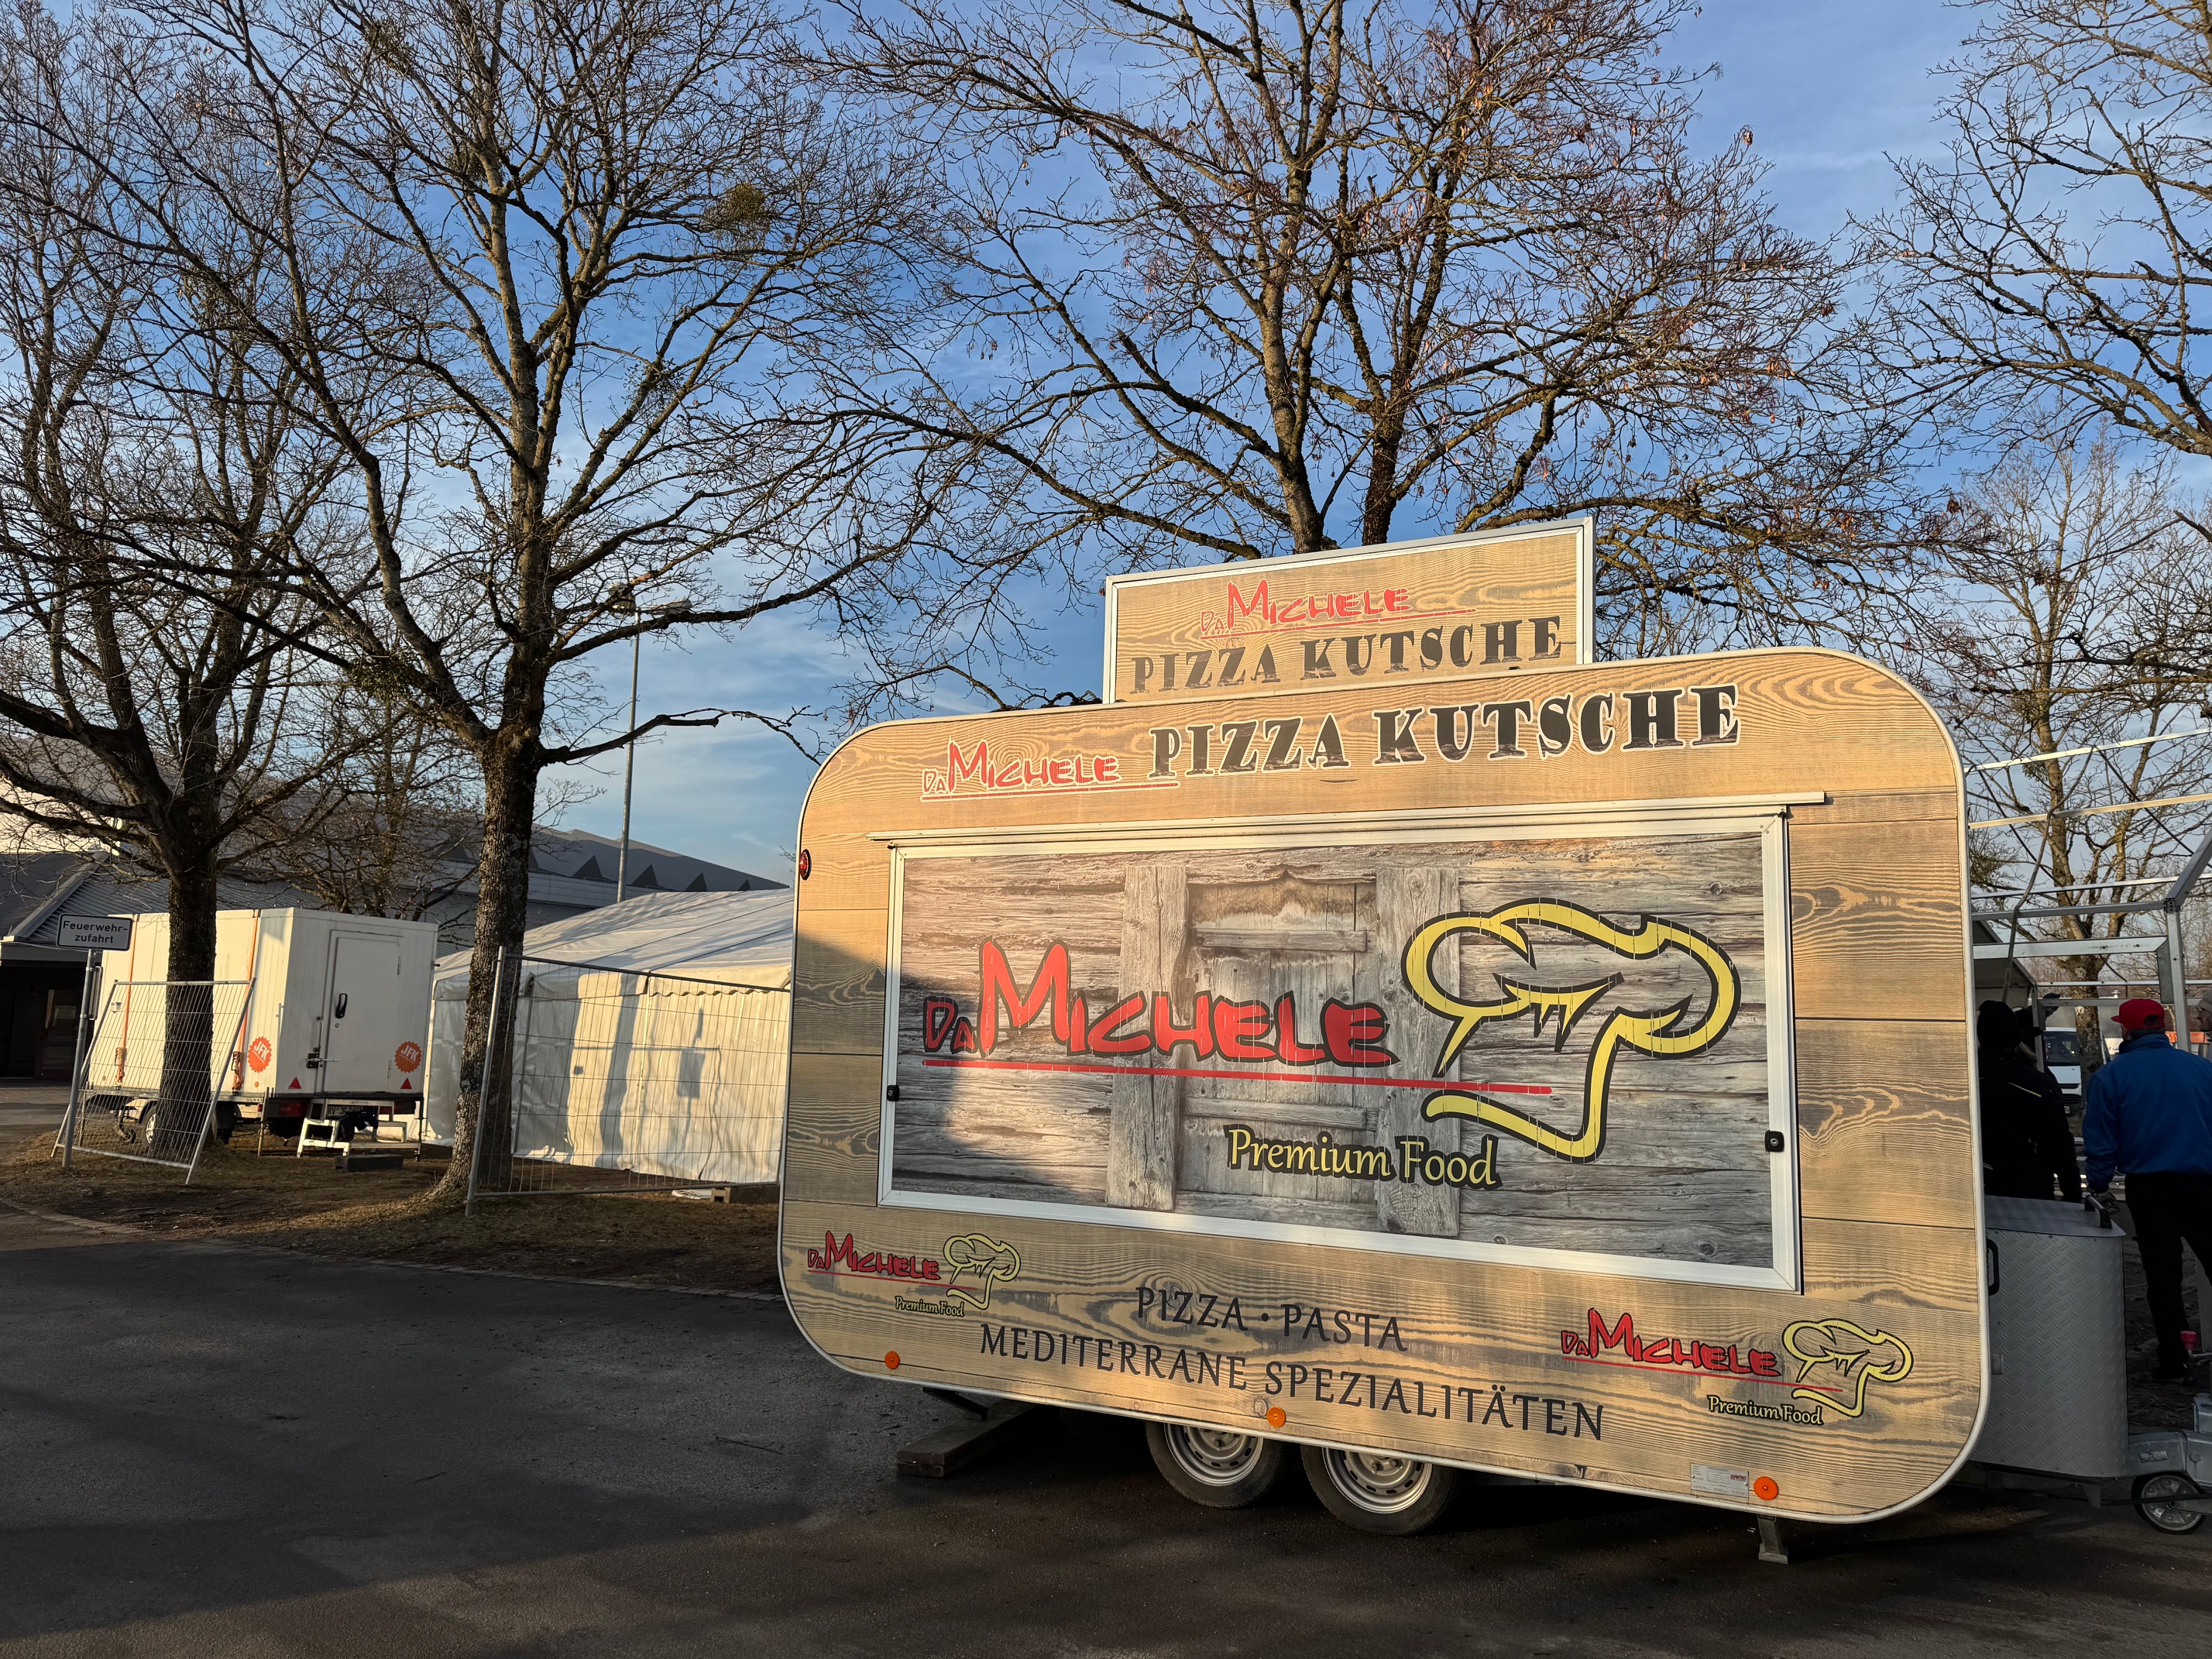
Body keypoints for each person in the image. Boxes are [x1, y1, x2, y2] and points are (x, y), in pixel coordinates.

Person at [2083, 998, 2212, 1384]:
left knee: (2163, 1278)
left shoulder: (2111, 1077)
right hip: (2204, 1185)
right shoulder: (2202, 1069)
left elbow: (2102, 1139)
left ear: (2126, 1030)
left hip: (2150, 1190)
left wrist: (2099, 1184)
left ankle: (2174, 1359)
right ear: (2162, 1028)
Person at [1976, 1000, 2082, 1202]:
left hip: (1975, 1186)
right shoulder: (2038, 1082)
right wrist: (2072, 1193)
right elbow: (2059, 1143)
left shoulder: (1965, 1081)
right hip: (2029, 1187)